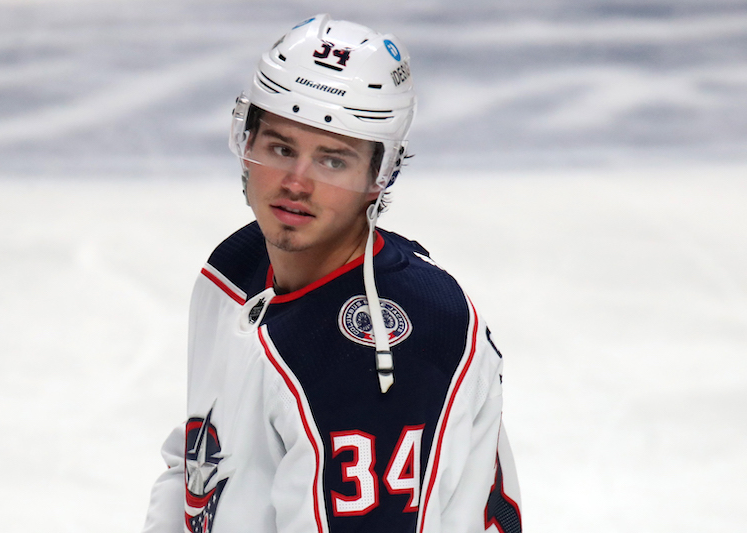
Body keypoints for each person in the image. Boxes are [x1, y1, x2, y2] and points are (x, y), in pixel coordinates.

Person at [141, 13, 522, 533]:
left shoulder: (389, 344)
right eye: (280, 148)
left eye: (333, 161)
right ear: (245, 142)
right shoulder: (237, 267)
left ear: (379, 175)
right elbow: (198, 474)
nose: (297, 183)